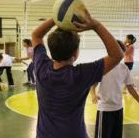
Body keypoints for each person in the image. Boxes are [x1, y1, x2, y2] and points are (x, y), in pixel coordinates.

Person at [32, 10, 123, 138]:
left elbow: (36, 35)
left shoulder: (41, 67)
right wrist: (96, 26)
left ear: (51, 50)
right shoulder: (81, 75)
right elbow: (117, 54)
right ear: (75, 53)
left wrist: (57, 17)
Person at [90, 40, 139, 138]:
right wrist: (93, 95)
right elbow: (93, 84)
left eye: (122, 51)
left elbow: (131, 89)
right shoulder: (103, 65)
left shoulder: (124, 68)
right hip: (105, 109)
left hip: (118, 109)